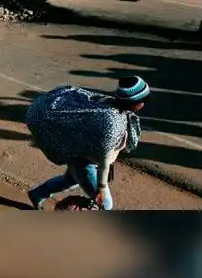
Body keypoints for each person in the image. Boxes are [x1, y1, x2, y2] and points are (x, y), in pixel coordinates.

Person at [26, 77, 149, 211]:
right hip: (84, 163)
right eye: (144, 100)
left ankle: (37, 194)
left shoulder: (108, 104)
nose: (145, 103)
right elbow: (104, 161)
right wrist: (101, 189)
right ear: (134, 104)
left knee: (69, 181)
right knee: (106, 205)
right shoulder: (112, 125)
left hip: (79, 155)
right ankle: (65, 209)